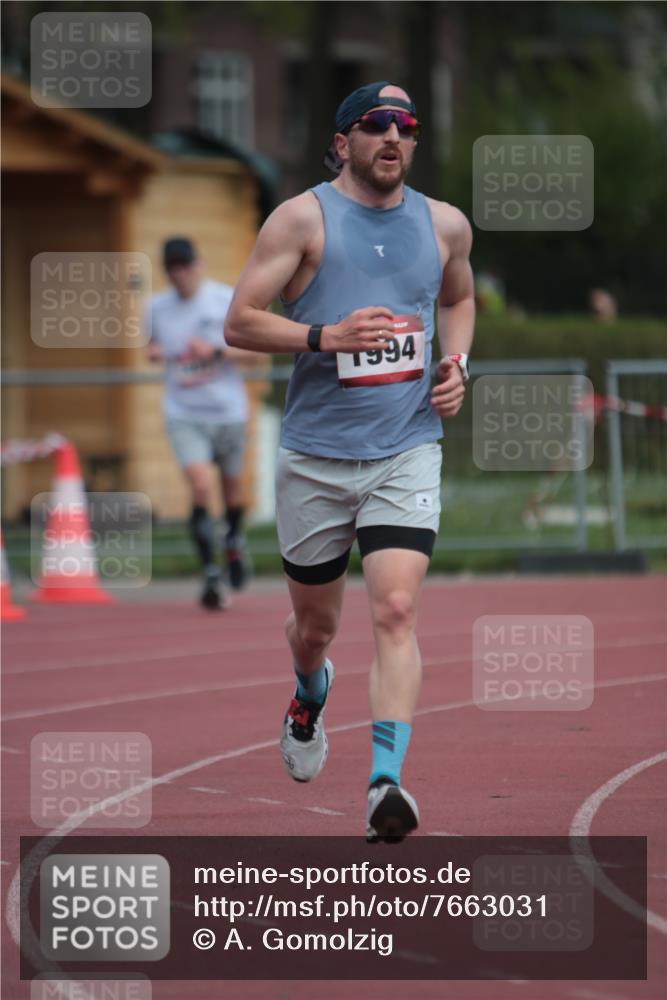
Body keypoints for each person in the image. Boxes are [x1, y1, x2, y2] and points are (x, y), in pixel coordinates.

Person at [225, 82, 474, 841]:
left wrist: (458, 363)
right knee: (315, 629)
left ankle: (383, 782)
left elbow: (458, 300)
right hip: (315, 457)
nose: (393, 137)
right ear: (342, 142)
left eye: (406, 126)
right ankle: (308, 692)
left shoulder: (444, 225)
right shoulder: (301, 219)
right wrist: (322, 338)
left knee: (396, 609)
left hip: (404, 447)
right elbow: (238, 320)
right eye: (375, 125)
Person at [147, 237, 261, 609]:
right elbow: (152, 347)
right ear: (166, 272)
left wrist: (214, 351)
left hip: (227, 412)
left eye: (185, 266)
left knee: (233, 494)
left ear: (199, 264)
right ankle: (210, 572)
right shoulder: (157, 308)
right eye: (172, 269)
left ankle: (232, 542)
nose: (180, 275)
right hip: (185, 412)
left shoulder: (223, 300)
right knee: (198, 486)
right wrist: (154, 352)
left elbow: (255, 355)